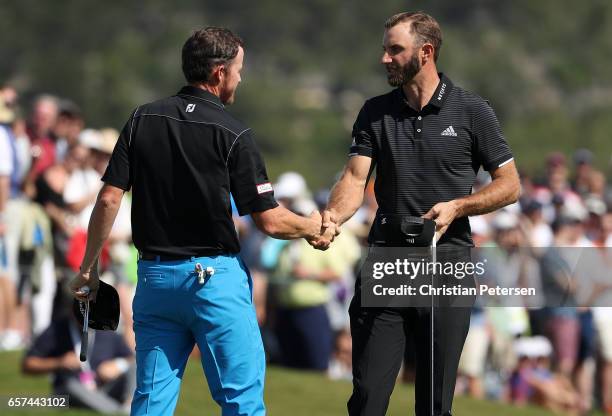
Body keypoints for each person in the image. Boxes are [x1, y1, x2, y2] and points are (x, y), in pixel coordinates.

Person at [69, 27, 335, 416]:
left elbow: (109, 198)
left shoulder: (142, 118)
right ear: (219, 73)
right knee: (241, 402)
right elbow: (271, 222)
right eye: (239, 70)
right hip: (213, 281)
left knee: (150, 403)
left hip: (156, 281)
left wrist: (88, 269)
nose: (241, 79)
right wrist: (315, 227)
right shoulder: (234, 133)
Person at [322, 12, 520, 416]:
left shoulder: (472, 111)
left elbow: (510, 184)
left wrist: (459, 205)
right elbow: (355, 179)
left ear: (425, 52)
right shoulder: (373, 112)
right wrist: (333, 217)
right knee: (367, 400)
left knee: (433, 405)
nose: (385, 58)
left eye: (395, 49)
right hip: (386, 263)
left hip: (447, 264)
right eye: (385, 49)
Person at [22, 314, 135, 414]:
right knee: (70, 385)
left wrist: (118, 365)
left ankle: (128, 406)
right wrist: (59, 362)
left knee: (135, 367)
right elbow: (28, 364)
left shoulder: (106, 330)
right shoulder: (57, 329)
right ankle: (116, 411)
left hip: (103, 386)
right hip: (72, 390)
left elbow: (132, 359)